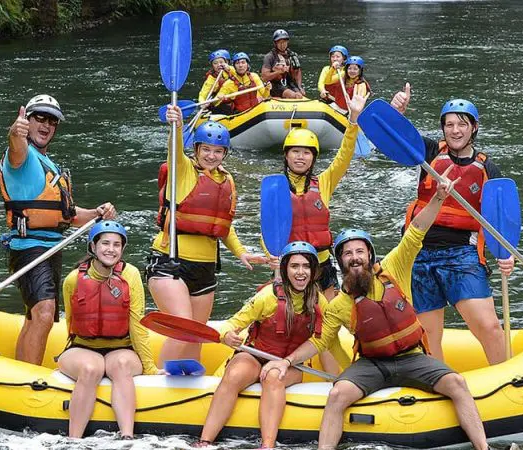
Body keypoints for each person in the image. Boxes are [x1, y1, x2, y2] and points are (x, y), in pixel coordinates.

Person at [260, 171, 497, 450]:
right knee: (337, 395)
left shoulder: (395, 267)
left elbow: (417, 230)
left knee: (456, 382)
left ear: (369, 255)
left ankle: (484, 448)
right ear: (340, 262)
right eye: (347, 254)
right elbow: (320, 341)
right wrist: (286, 362)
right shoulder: (339, 305)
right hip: (372, 364)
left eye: (359, 252)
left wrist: (437, 198)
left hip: (412, 357)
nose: (354, 258)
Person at [396, 96, 514, 365]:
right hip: (419, 253)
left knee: (489, 327)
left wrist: (506, 254)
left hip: (462, 255)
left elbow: (500, 217)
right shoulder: (429, 153)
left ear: (474, 128)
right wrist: (398, 113)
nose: (455, 130)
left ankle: (506, 376)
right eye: (449, 125)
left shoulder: (487, 168)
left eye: (462, 124)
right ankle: (439, 381)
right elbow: (397, 138)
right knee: (427, 334)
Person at [0, 94, 116, 365]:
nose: (46, 125)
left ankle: (22, 368)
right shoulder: (21, 156)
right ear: (27, 121)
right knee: (44, 311)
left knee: (35, 315)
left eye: (52, 121)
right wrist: (15, 132)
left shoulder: (48, 164)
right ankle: (30, 377)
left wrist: (97, 214)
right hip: (29, 247)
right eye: (39, 118)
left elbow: (68, 215)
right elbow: (15, 146)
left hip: (51, 249)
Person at [147, 105, 266, 365]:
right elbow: (174, 149)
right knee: (183, 326)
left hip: (205, 267)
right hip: (170, 261)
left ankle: (189, 381)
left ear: (225, 153)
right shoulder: (182, 170)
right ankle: (154, 378)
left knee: (196, 338)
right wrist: (177, 126)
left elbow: (222, 224)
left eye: (218, 151)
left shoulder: (227, 180)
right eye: (206, 150)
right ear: (197, 149)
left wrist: (241, 252)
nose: (212, 156)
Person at [196, 241, 346, 448]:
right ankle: (205, 441)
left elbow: (328, 341)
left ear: (313, 271)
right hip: (256, 355)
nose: (300, 272)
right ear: (285, 270)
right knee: (235, 374)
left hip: (290, 364)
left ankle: (267, 445)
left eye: (306, 266)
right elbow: (232, 323)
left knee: (274, 376)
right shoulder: (267, 296)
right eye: (294, 266)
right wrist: (226, 335)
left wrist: (344, 374)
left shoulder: (320, 302)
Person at [58, 220, 160, 439]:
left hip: (121, 348)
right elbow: (71, 323)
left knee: (121, 365)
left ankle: (127, 437)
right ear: (93, 247)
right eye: (105, 243)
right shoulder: (73, 280)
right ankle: (74, 440)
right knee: (90, 368)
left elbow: (137, 324)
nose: (111, 249)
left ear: (122, 249)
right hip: (82, 347)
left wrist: (150, 367)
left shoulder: (130, 275)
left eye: (116, 245)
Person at [275, 92, 368, 301]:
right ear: (286, 155)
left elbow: (344, 156)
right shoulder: (276, 187)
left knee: (327, 315)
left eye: (306, 152)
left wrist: (353, 120)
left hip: (322, 264)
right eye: (295, 151)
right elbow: (268, 230)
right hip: (293, 264)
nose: (301, 157)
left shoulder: (324, 182)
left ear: (314, 157)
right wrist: (273, 259)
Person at [261, 29, 304, 99]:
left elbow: (298, 71)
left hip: (289, 83)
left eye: (284, 42)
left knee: (301, 94)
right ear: (275, 43)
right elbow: (264, 77)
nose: (282, 45)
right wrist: (279, 72)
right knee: (295, 96)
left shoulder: (292, 55)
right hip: (274, 85)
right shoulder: (269, 57)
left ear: (287, 42)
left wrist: (299, 86)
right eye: (280, 42)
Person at [199, 49, 234, 115]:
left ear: (226, 63)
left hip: (233, 98)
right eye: (215, 63)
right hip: (220, 103)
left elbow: (240, 74)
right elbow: (203, 93)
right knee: (226, 108)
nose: (219, 65)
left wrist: (229, 68)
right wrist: (202, 102)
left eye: (221, 62)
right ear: (212, 66)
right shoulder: (211, 78)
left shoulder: (231, 70)